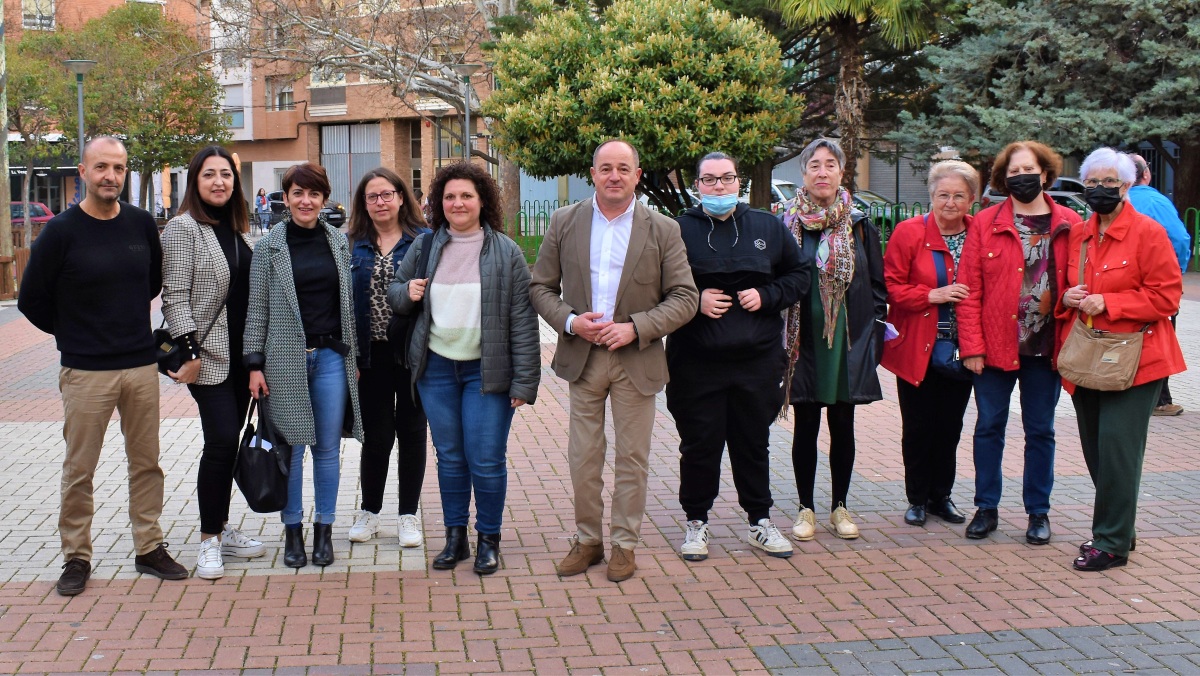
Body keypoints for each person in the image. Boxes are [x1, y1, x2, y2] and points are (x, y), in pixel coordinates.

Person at [18, 136, 188, 595]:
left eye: (118, 168)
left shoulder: (139, 224)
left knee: (147, 463)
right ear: (83, 172)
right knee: (80, 469)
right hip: (85, 371)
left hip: (138, 366)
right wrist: (72, 334)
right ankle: (76, 556)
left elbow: (151, 283)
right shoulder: (60, 231)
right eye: (101, 168)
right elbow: (30, 299)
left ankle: (149, 546)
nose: (110, 176)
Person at [530, 139, 698, 582]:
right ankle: (588, 541)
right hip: (582, 358)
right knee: (583, 457)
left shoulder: (662, 228)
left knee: (632, 458)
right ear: (592, 173)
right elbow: (540, 287)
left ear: (638, 175)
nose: (614, 176)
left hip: (635, 358)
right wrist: (569, 322)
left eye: (624, 168)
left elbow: (685, 298)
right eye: (606, 168)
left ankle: (624, 544)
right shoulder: (565, 221)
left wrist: (636, 327)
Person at [388, 162, 540, 575]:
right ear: (439, 202)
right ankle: (455, 538)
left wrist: (525, 381)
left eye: (466, 196)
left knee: (486, 458)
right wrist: (409, 291)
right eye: (450, 196)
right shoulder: (424, 246)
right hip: (436, 369)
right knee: (451, 457)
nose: (458, 203)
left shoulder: (505, 251)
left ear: (482, 201)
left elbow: (523, 321)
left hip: (485, 371)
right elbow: (395, 295)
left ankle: (488, 537)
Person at [667, 151, 807, 561]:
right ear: (697, 186)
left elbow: (799, 275)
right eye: (709, 180)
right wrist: (695, 300)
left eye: (726, 178)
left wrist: (766, 295)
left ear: (738, 182)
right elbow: (653, 284)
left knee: (753, 442)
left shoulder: (767, 225)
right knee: (699, 445)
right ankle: (696, 523)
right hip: (696, 362)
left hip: (757, 362)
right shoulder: (677, 231)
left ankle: (759, 521)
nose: (719, 187)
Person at [1057, 148, 1186, 570]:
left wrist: (1108, 302)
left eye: (1109, 182)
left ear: (1127, 186)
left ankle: (1109, 543)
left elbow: (1166, 297)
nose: (1099, 190)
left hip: (1138, 358)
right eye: (1091, 182)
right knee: (1097, 450)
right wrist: (1068, 296)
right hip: (1089, 356)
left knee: (1118, 450)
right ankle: (1120, 529)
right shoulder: (1079, 232)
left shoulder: (1148, 233)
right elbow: (1067, 290)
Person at [957, 140, 1081, 544]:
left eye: (1028, 170)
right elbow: (969, 289)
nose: (1021, 178)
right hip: (994, 346)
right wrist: (972, 346)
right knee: (989, 426)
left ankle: (1038, 512)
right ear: (1003, 179)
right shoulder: (984, 222)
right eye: (1012, 173)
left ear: (1045, 174)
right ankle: (986, 506)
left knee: (1040, 430)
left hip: (1047, 348)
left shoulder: (1069, 222)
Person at [243, 162, 363, 568]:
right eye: (298, 193)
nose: (306, 201)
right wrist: (254, 364)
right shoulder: (269, 247)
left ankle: (324, 531)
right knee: (291, 450)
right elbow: (256, 308)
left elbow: (347, 307)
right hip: (284, 361)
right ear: (286, 198)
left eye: (314, 194)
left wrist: (355, 358)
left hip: (331, 359)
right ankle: (292, 530)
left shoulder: (337, 242)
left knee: (327, 449)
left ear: (324, 198)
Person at [161, 146, 264, 580]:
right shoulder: (183, 229)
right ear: (194, 181)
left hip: (243, 357)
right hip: (210, 358)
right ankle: (208, 541)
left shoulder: (238, 229)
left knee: (229, 441)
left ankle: (221, 526)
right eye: (209, 175)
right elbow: (174, 295)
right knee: (221, 441)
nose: (219, 181)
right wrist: (189, 353)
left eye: (226, 175)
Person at [781, 138, 887, 542]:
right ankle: (806, 508)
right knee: (805, 424)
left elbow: (878, 289)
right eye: (814, 165)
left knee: (843, 424)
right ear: (803, 174)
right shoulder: (784, 222)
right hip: (801, 343)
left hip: (846, 343)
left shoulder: (860, 224)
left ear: (841, 173)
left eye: (830, 165)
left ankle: (839, 506)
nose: (822, 172)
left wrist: (870, 340)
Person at [881, 160, 980, 528]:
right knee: (918, 427)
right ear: (931, 197)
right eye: (943, 195)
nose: (950, 202)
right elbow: (890, 286)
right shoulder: (909, 233)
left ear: (972, 199)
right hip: (917, 346)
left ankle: (942, 496)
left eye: (958, 195)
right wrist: (932, 294)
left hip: (962, 349)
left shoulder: (979, 234)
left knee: (950, 427)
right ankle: (917, 498)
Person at [346, 168, 431, 547]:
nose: (380, 202)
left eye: (386, 194)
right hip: (370, 354)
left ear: (400, 197)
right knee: (376, 436)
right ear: (363, 204)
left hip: (412, 351)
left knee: (412, 433)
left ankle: (409, 515)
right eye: (371, 197)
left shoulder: (425, 242)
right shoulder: (352, 244)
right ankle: (370, 511)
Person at [1127, 154, 1191, 416]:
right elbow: (1179, 238)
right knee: (1160, 338)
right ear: (1146, 174)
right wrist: (1176, 272)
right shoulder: (1155, 200)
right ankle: (1159, 400)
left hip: (1119, 287)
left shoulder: (1116, 201)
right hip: (1154, 286)